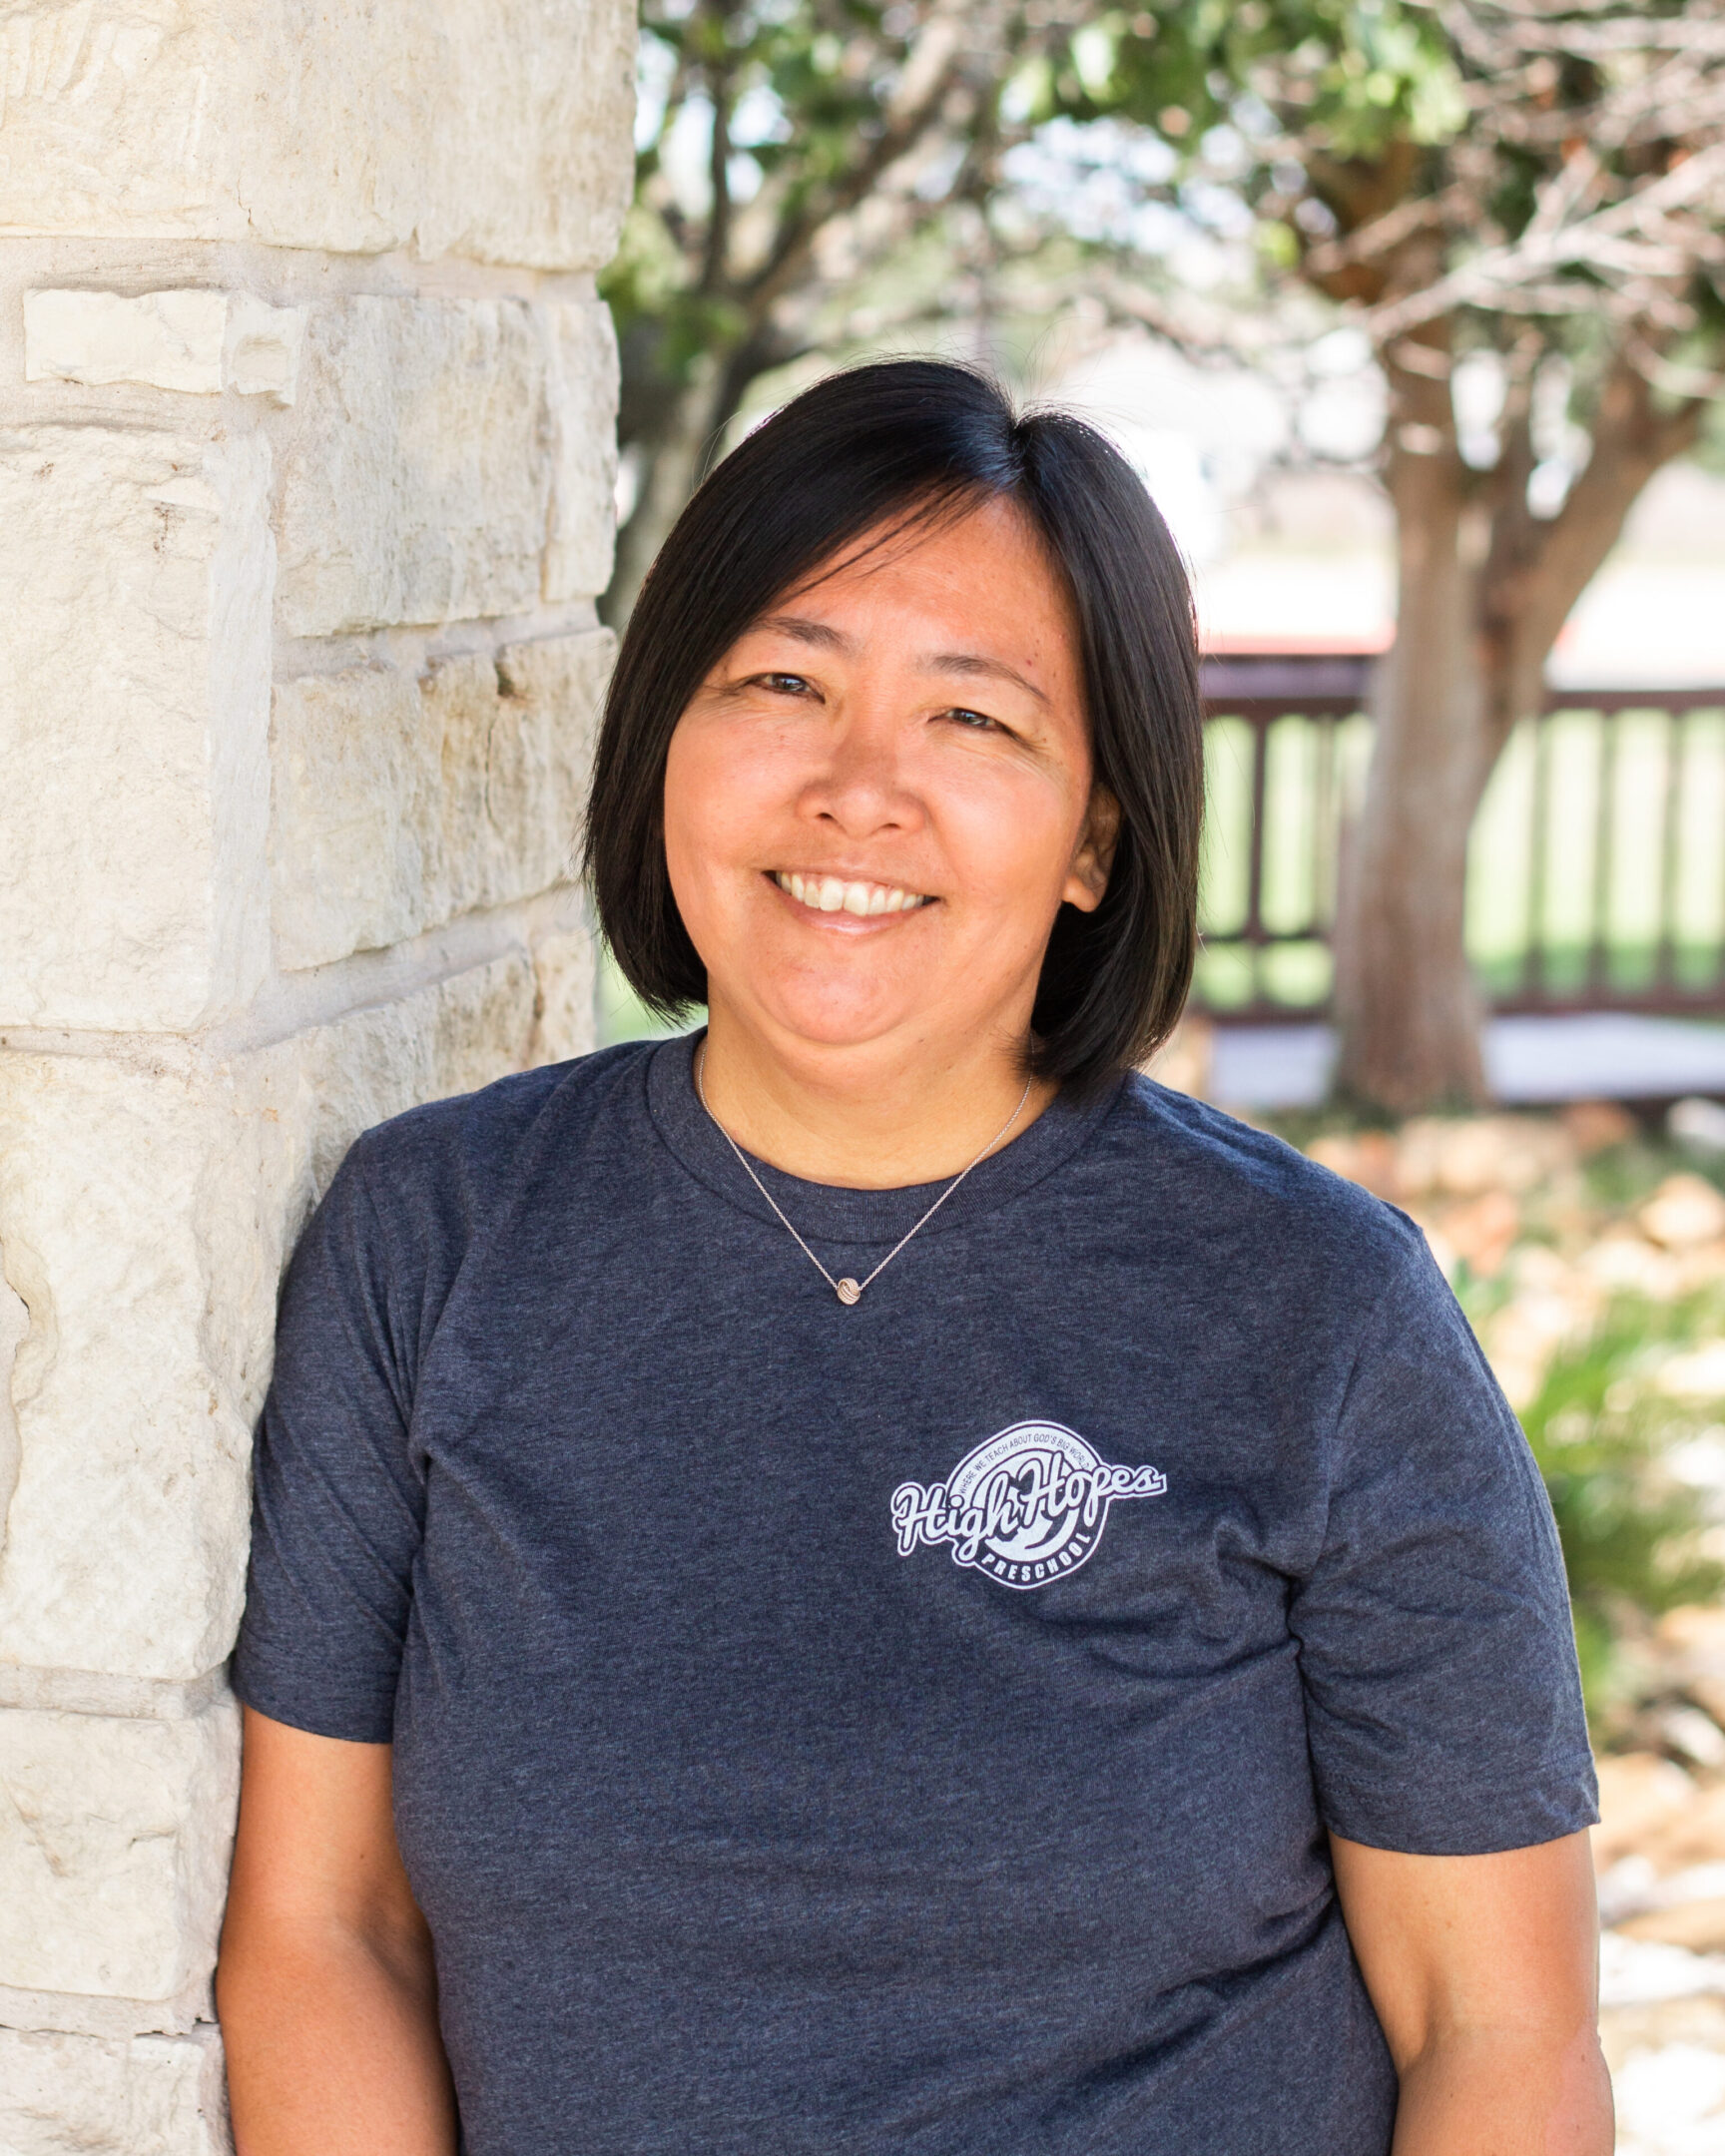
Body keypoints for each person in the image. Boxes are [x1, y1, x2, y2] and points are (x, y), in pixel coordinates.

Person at [216, 359, 1611, 2155]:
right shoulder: (434, 1243)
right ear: (666, 739)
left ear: (1099, 836)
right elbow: (327, 1931)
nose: (858, 788)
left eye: (975, 721)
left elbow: (1500, 2032)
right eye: (785, 682)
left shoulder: (1317, 1315)